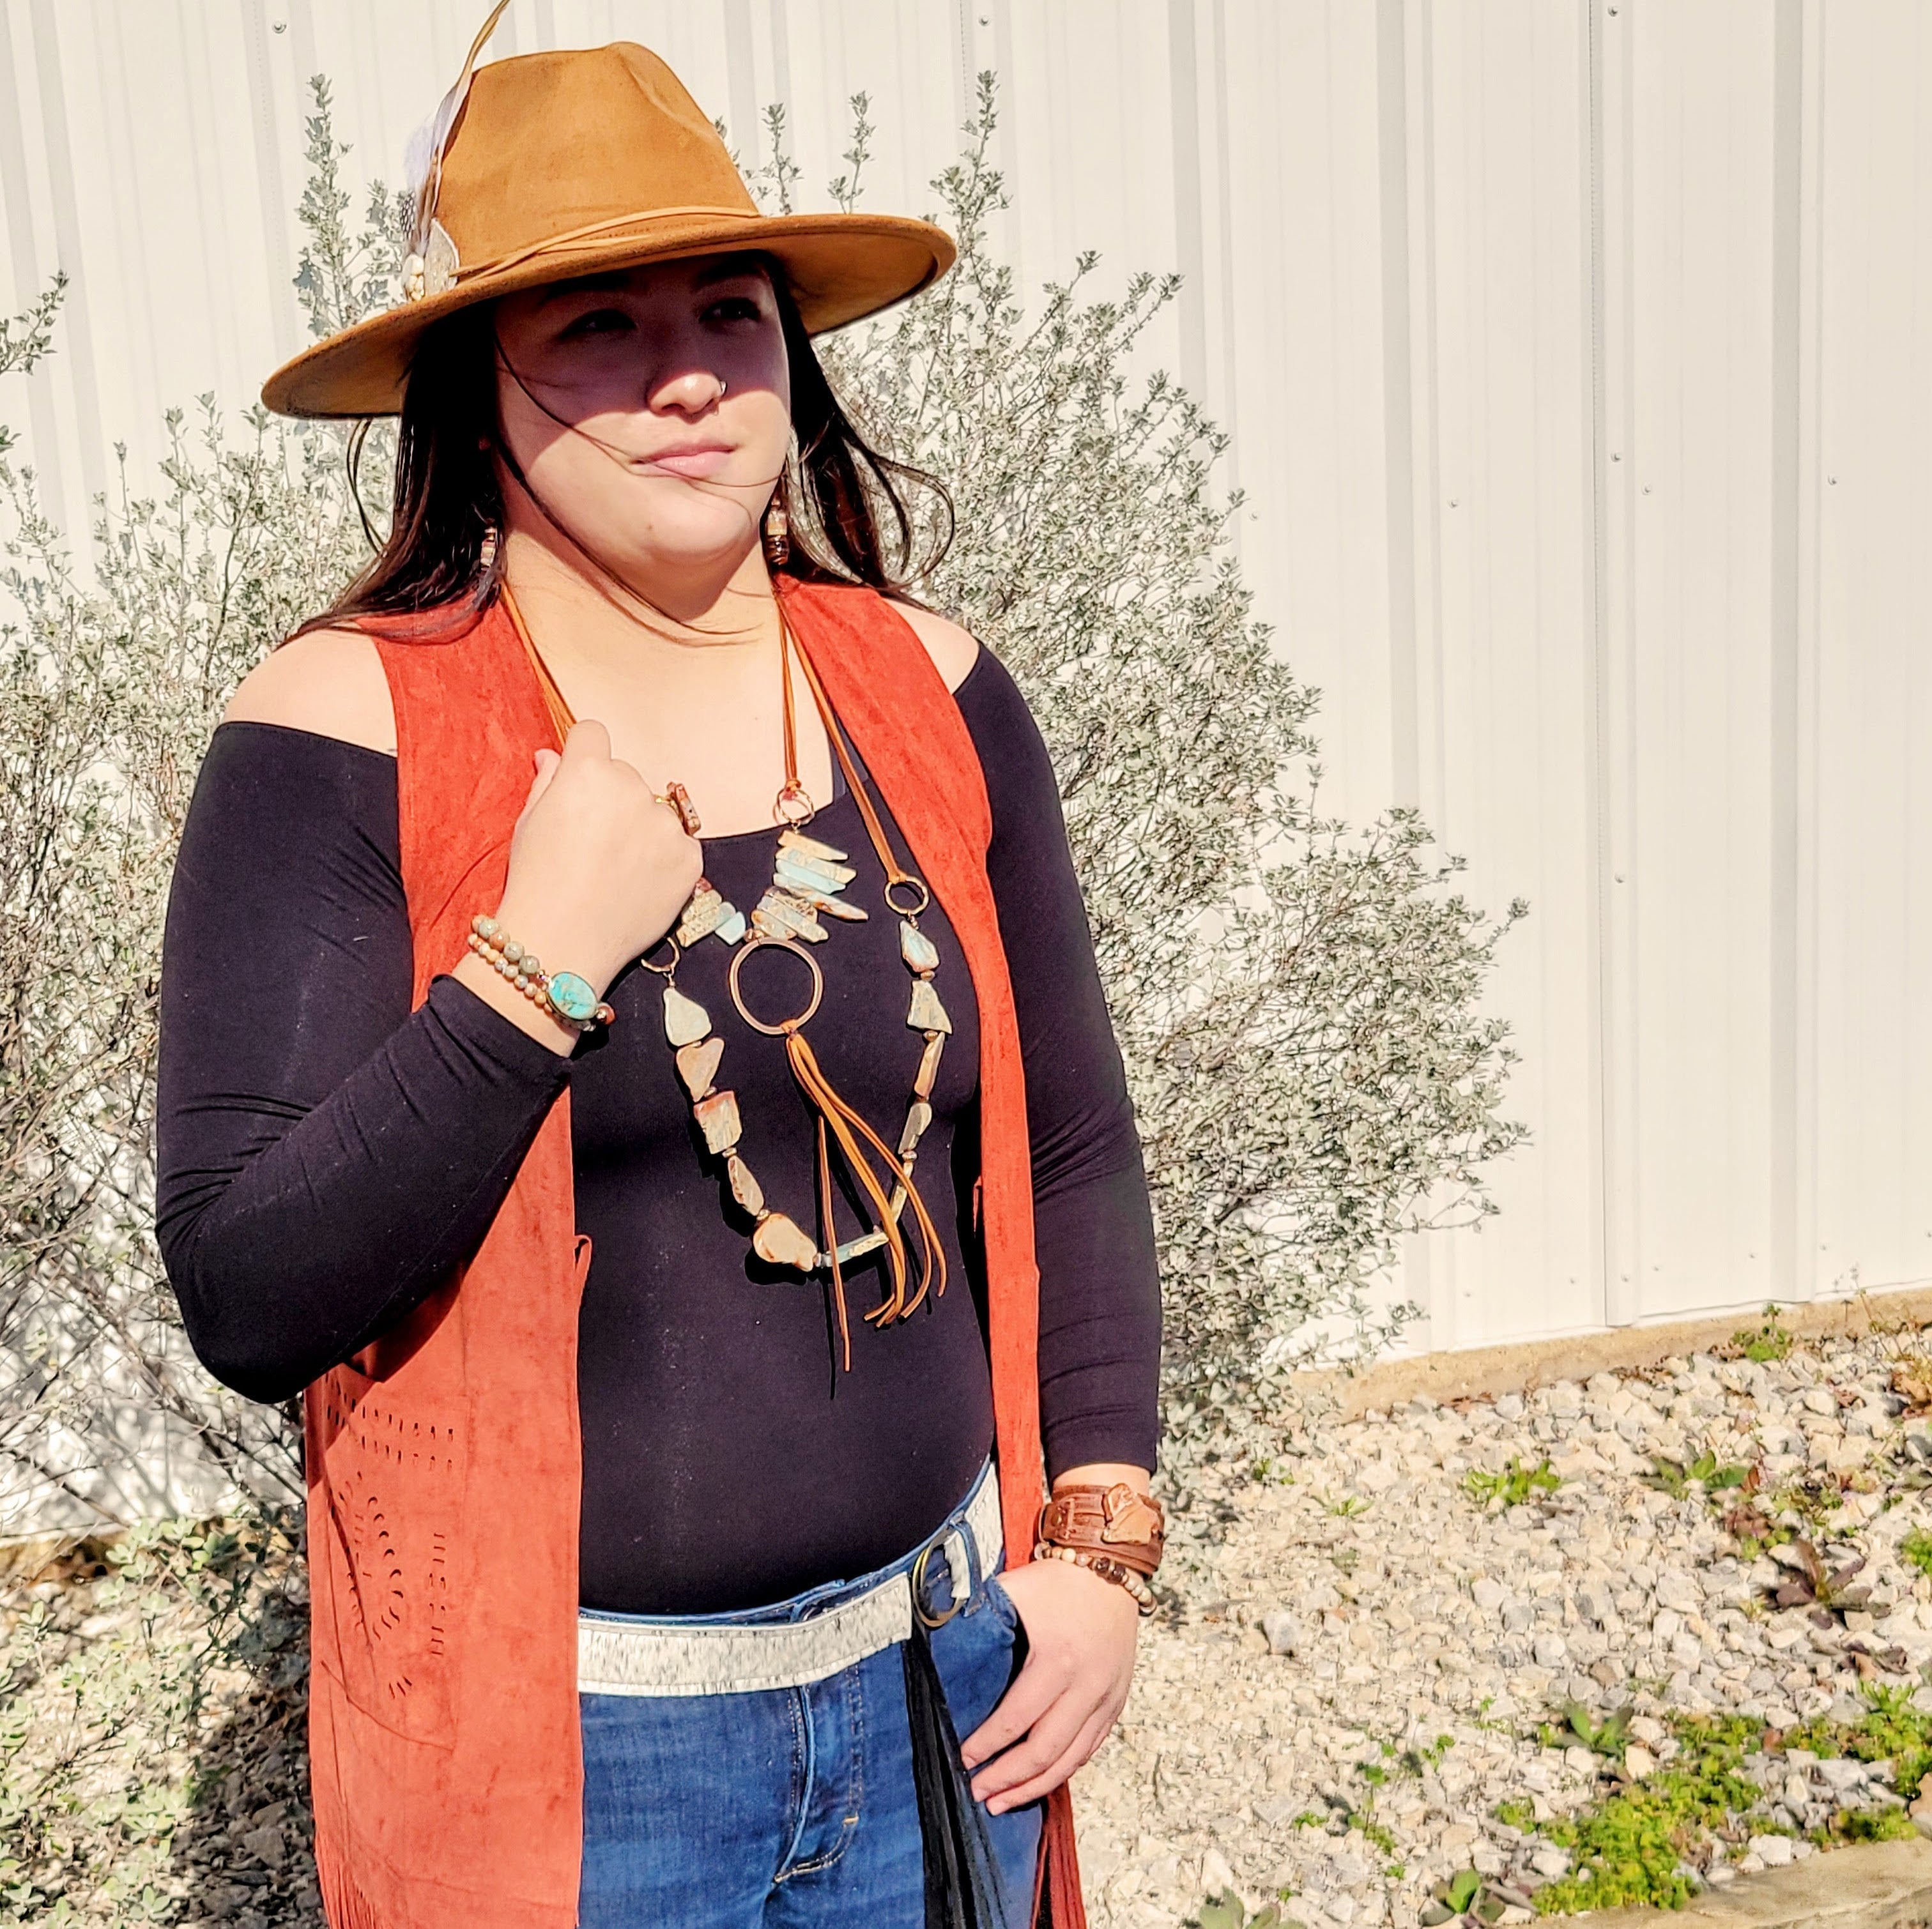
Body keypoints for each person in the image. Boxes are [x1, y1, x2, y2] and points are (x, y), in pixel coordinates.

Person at [157, 20, 1162, 1929]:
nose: (688, 374)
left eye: (730, 312)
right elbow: (246, 1285)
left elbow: (1070, 1149)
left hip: (947, 1690)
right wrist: (531, 971)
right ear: (475, 386)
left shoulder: (930, 691)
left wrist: (1104, 1548)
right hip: (579, 1769)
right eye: (600, 326)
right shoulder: (346, 728)